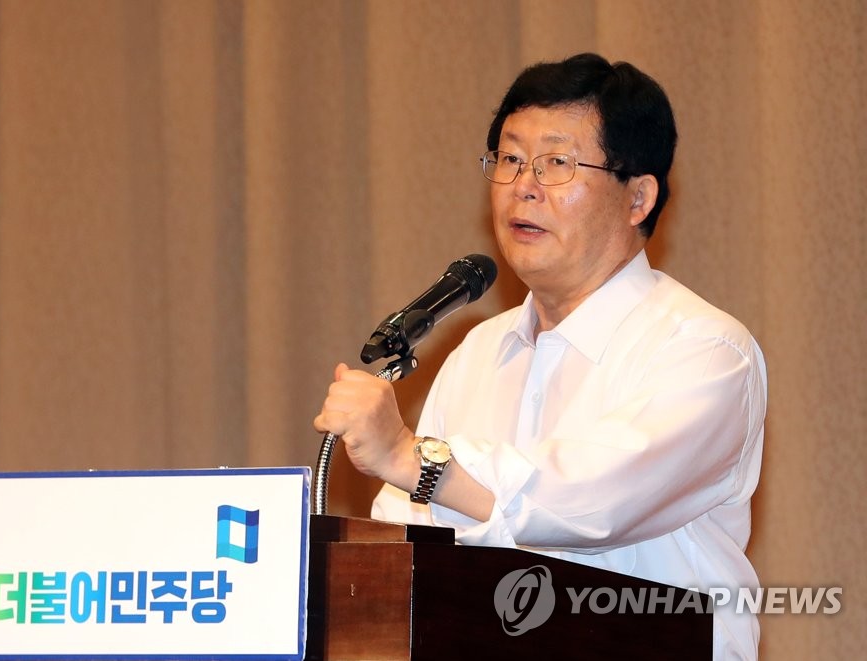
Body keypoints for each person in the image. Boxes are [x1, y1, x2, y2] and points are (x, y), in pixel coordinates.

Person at [313, 53, 766, 659]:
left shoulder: (706, 352)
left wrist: (410, 459)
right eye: (509, 160)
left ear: (638, 198)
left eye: (556, 163)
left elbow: (593, 501)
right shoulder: (476, 352)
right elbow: (405, 541)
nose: (523, 186)